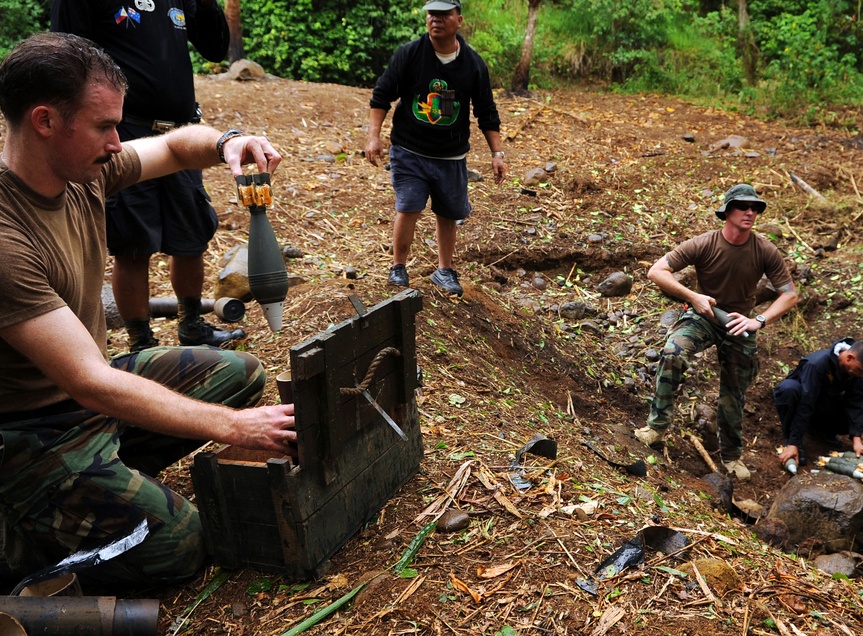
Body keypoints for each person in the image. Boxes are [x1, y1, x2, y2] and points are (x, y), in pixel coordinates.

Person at [0, 32, 293, 589]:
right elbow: (89, 381)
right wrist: (234, 428)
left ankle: (105, 477)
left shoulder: (81, 170)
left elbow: (178, 148)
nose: (118, 141)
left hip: (88, 397)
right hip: (32, 434)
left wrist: (227, 143)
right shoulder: (6, 237)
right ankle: (22, 536)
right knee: (180, 545)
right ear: (44, 121)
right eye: (104, 125)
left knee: (241, 373)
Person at [51, 0, 246, 352]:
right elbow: (66, 56)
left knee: (191, 237)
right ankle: (142, 343)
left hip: (181, 133)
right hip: (123, 135)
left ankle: (192, 324)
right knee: (132, 245)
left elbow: (215, 48)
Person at [634, 184, 799, 481]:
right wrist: (692, 297)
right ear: (727, 211)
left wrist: (758, 320)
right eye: (743, 207)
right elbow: (657, 271)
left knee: (734, 391)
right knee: (674, 351)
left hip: (739, 324)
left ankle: (732, 455)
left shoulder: (764, 249)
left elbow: (789, 294)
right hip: (704, 316)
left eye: (755, 208)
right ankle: (657, 429)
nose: (751, 212)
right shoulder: (705, 244)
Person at [365, 0, 507, 297]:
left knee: (449, 212)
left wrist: (497, 154)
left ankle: (444, 270)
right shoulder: (409, 54)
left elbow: (487, 112)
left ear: (459, 20)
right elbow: (381, 97)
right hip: (409, 150)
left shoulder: (473, 64)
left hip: (451, 156)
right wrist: (373, 137)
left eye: (444, 15)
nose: (436, 20)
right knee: (409, 205)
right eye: (432, 14)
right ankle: (398, 267)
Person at [774, 338, 863, 468]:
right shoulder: (817, 364)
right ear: (849, 358)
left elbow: (858, 401)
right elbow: (806, 402)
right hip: (803, 404)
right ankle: (792, 440)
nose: (862, 375)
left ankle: (822, 433)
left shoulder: (856, 370)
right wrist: (794, 442)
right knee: (789, 389)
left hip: (825, 407)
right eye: (861, 371)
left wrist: (856, 438)